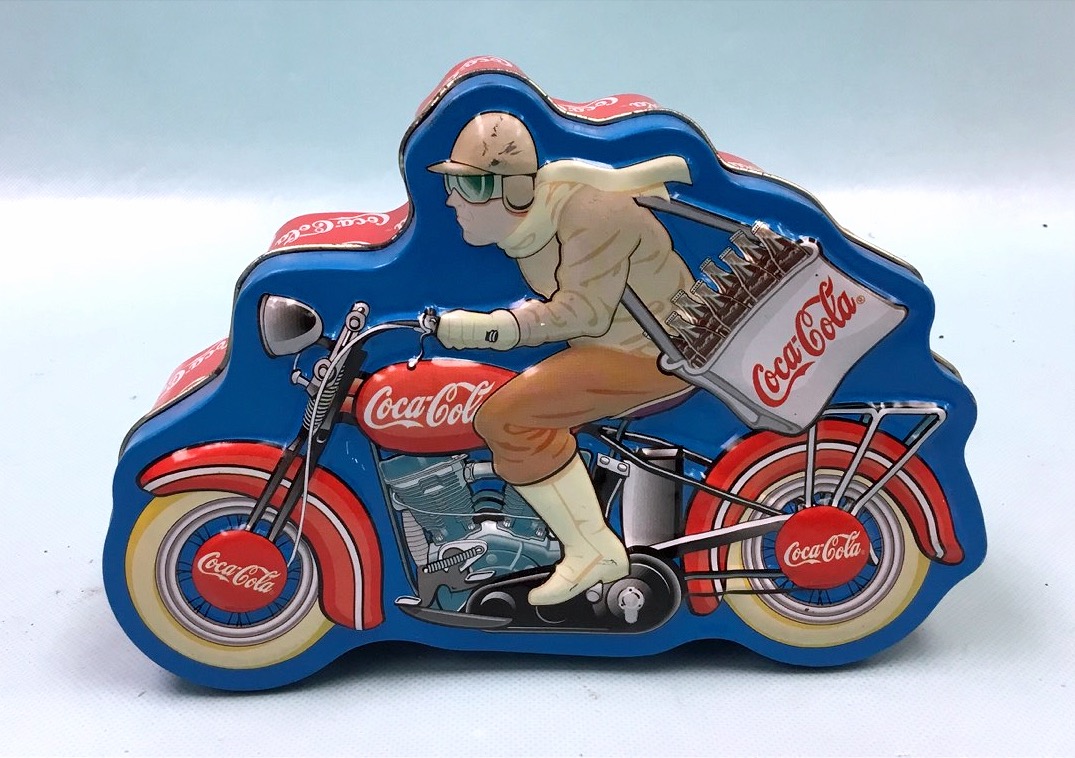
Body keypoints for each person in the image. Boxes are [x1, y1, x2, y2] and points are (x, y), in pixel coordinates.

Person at [428, 112, 694, 606]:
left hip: (656, 354)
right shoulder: (533, 228)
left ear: (512, 190)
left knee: (507, 418)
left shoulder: (592, 212)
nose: (450, 200)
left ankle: (593, 551)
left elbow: (583, 313)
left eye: (467, 186)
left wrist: (486, 328)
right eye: (452, 184)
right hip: (618, 347)